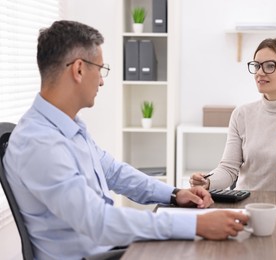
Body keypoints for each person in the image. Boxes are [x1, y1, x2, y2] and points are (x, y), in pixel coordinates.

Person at [3, 20, 248, 259]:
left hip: (108, 248)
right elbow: (97, 220)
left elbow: (115, 173)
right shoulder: (38, 143)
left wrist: (174, 194)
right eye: (100, 69)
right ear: (78, 69)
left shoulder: (68, 126)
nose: (101, 80)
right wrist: (196, 224)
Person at [191, 37, 276, 192]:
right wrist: (207, 182)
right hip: (244, 205)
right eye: (257, 66)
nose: (260, 73)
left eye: (270, 66)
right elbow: (228, 169)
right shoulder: (242, 114)